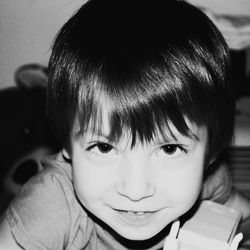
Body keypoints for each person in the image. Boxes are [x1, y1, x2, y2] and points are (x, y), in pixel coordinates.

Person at [0, 0, 250, 249]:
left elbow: (242, 216)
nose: (135, 190)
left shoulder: (208, 178)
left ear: (211, 153)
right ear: (66, 142)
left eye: (170, 149)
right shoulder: (47, 211)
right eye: (104, 147)